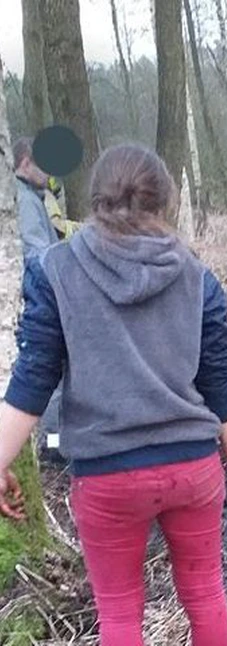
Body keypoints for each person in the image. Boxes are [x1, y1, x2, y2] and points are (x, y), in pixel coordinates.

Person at [0, 143, 227, 646]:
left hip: (108, 477)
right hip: (193, 468)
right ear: (164, 202)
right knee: (206, 594)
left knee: (121, 615)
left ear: (95, 199)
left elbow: (32, 381)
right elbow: (219, 383)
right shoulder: (198, 277)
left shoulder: (54, 271)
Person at [12, 136, 65, 460]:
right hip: (41, 296)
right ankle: (53, 445)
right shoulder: (23, 200)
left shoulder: (37, 196)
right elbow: (37, 252)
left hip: (43, 291)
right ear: (26, 163)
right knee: (51, 367)